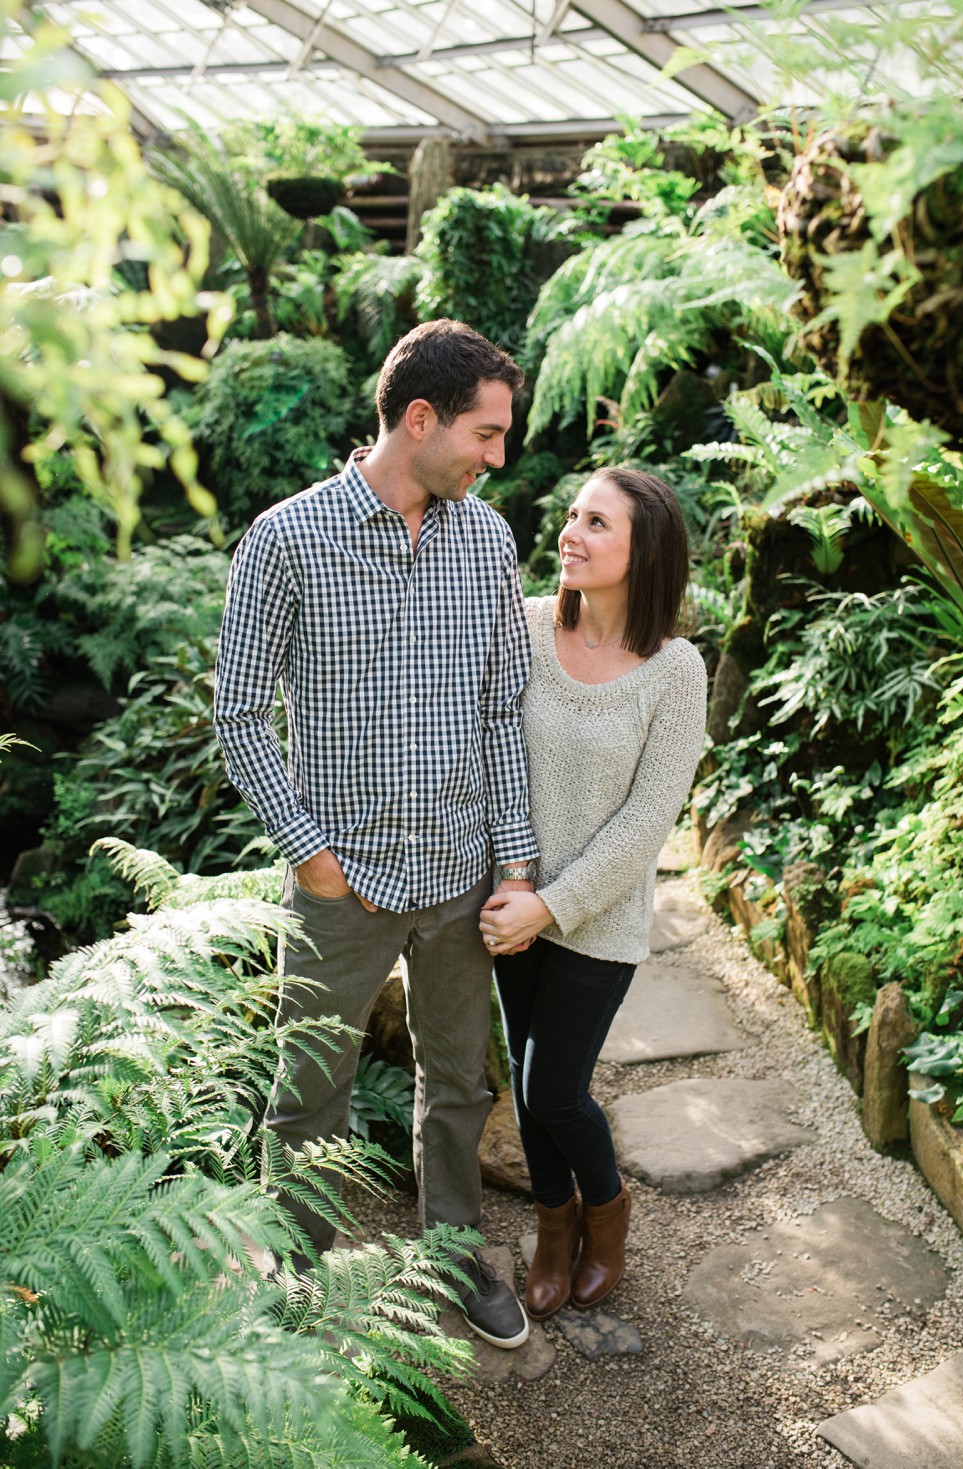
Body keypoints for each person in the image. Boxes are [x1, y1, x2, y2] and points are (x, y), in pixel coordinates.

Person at [213, 318, 539, 1349]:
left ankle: (451, 1249)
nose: (497, 457)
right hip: (339, 880)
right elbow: (236, 715)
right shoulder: (285, 537)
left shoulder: (486, 537)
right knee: (308, 1085)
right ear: (417, 417)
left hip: (457, 869)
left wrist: (516, 859)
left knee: (458, 1080)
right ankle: (302, 1272)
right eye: (485, 435)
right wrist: (308, 853)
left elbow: (500, 707)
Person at [478, 467, 707, 1321]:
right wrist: (516, 886)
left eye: (596, 522)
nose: (571, 531)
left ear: (643, 550)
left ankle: (603, 1217)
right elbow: (491, 750)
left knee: (554, 1088)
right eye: (573, 516)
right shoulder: (532, 625)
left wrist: (555, 905)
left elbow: (649, 820)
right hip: (513, 895)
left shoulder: (675, 671)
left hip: (596, 920)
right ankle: (552, 1228)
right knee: (528, 1085)